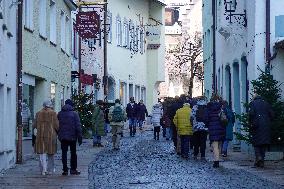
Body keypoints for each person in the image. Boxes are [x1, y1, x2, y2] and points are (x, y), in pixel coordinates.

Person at [33, 100, 59, 175]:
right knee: (50, 153)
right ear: (50, 105)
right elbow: (56, 125)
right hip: (50, 135)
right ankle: (50, 170)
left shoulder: (38, 113)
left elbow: (34, 125)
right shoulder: (53, 113)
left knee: (42, 153)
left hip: (40, 136)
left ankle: (43, 170)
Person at [58, 99, 82, 175]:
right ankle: (73, 169)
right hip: (72, 137)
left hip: (63, 137)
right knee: (73, 153)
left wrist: (59, 134)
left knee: (64, 153)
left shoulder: (60, 113)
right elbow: (78, 126)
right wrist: (80, 137)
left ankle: (65, 169)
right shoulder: (74, 114)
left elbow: (56, 125)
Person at [248, 94, 274, 168]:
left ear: (254, 98)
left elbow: (251, 113)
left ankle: (259, 157)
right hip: (266, 125)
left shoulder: (253, 103)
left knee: (256, 143)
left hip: (256, 125)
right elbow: (272, 114)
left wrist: (250, 122)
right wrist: (268, 121)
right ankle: (261, 161)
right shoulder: (266, 103)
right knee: (263, 143)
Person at [207, 94, 225, 168]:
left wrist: (208, 125)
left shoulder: (209, 108)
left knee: (215, 145)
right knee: (219, 144)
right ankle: (218, 158)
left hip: (212, 128)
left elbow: (206, 118)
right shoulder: (221, 107)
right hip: (221, 128)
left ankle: (216, 161)